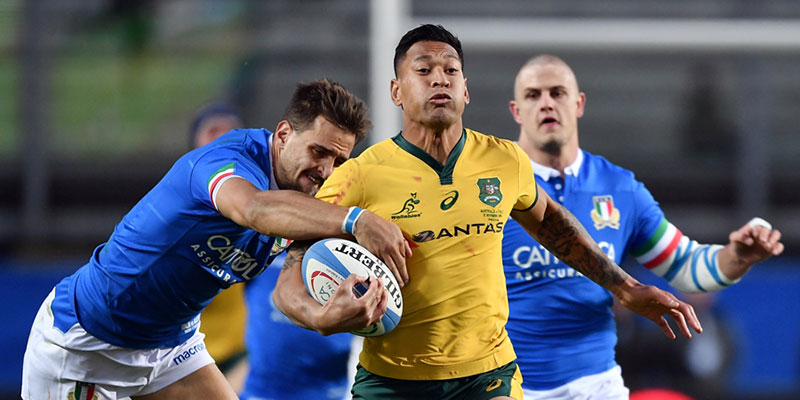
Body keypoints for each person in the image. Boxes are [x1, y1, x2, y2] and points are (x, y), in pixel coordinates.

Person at [272, 25, 701, 400]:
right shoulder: (359, 175)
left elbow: (551, 223)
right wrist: (320, 316)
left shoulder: (505, 160)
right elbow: (289, 279)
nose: (439, 78)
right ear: (396, 91)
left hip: (487, 375)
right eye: (423, 70)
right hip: (391, 378)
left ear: (466, 90)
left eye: (450, 70)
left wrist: (626, 288)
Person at [21, 78, 410, 399]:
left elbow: (285, 293)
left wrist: (321, 317)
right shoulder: (227, 159)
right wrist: (355, 219)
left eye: (339, 161)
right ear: (284, 134)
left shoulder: (309, 203)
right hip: (88, 341)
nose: (326, 170)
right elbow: (253, 209)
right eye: (319, 151)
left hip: (171, 347)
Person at [501, 54, 784, 399]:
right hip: (511, 386)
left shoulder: (619, 188)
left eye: (557, 93)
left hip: (597, 386)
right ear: (516, 111)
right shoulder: (492, 187)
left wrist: (738, 256)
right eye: (533, 95)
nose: (546, 103)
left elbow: (689, 268)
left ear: (579, 104)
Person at [189, 101, 250, 392]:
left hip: (239, 359)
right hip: (177, 360)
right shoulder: (172, 209)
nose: (222, 140)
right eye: (213, 131)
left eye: (231, 132)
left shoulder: (258, 212)